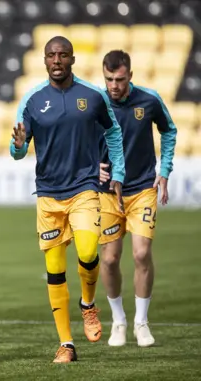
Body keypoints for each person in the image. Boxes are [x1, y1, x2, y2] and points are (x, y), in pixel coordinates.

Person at [10, 36, 125, 363]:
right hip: (48, 195)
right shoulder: (32, 100)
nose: (57, 60)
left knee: (89, 250)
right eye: (51, 55)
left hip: (84, 188)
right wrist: (18, 145)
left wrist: (118, 173)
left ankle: (88, 304)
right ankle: (66, 344)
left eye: (62, 55)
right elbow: (17, 152)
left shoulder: (92, 96)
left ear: (72, 59)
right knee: (55, 270)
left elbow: (113, 133)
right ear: (44, 60)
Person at [97, 50, 177, 348]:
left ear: (130, 75)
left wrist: (165, 170)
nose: (114, 86)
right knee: (109, 258)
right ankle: (118, 321)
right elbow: (76, 139)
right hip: (106, 193)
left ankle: (141, 323)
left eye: (119, 79)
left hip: (142, 188)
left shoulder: (149, 100)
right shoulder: (94, 101)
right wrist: (93, 165)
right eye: (108, 79)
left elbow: (169, 130)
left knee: (141, 254)